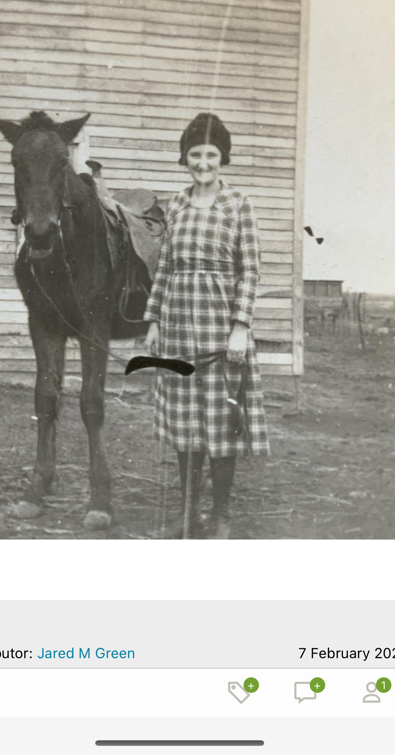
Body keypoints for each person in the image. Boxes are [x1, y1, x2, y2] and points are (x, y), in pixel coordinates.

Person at [144, 112, 268, 539]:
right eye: (195, 153)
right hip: (178, 326)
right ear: (185, 157)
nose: (202, 162)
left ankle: (220, 514)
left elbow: (250, 271)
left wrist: (240, 326)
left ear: (223, 158)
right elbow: (165, 266)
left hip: (220, 330)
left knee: (220, 422)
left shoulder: (239, 205)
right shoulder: (175, 203)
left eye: (211, 154)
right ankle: (188, 511)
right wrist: (155, 319)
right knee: (185, 425)